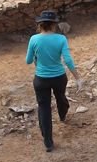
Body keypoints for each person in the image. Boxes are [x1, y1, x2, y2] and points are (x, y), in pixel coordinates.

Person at [25, 11, 81, 153]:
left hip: (41, 79)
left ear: (40, 25)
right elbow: (67, 60)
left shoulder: (34, 39)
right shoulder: (61, 39)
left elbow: (28, 61)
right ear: (54, 25)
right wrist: (78, 78)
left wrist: (38, 57)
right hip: (59, 77)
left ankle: (48, 142)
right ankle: (62, 115)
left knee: (44, 108)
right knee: (60, 97)